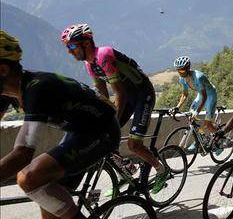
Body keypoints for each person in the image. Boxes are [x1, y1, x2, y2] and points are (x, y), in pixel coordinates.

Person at [0, 30, 121, 219]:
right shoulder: (7, 91)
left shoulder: (35, 88)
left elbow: (23, 153)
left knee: (28, 177)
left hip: (102, 131)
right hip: (78, 131)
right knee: (51, 205)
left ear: (2, 69)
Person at [60, 23, 167, 194]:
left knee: (133, 144)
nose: (69, 51)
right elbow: (103, 96)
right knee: (105, 141)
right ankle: (127, 171)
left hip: (142, 95)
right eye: (67, 47)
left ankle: (162, 170)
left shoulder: (104, 55)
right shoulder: (89, 65)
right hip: (129, 97)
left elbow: (120, 94)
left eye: (72, 46)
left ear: (86, 43)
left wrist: (112, 123)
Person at [172, 56, 219, 151]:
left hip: (210, 95)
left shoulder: (198, 77)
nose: (180, 73)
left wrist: (197, 111)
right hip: (201, 95)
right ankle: (200, 139)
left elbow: (205, 97)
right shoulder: (182, 79)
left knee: (208, 124)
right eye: (178, 71)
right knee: (191, 118)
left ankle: (220, 140)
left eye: (182, 71)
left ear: (188, 68)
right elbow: (184, 94)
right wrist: (177, 107)